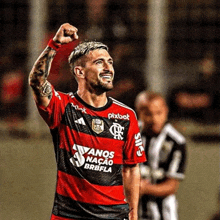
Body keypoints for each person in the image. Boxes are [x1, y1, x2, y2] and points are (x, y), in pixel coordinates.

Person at [29, 23, 146, 220]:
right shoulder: (64, 107)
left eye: (110, 62)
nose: (109, 68)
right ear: (80, 72)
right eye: (100, 62)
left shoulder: (126, 116)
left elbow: (132, 168)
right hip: (69, 215)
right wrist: (54, 44)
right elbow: (37, 81)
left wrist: (133, 213)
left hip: (114, 215)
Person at [134, 91, 187, 220]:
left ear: (166, 111)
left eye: (159, 113)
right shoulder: (130, 135)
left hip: (164, 212)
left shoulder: (176, 141)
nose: (154, 119)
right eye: (148, 114)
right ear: (138, 112)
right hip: (134, 209)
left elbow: (171, 185)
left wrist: (144, 188)